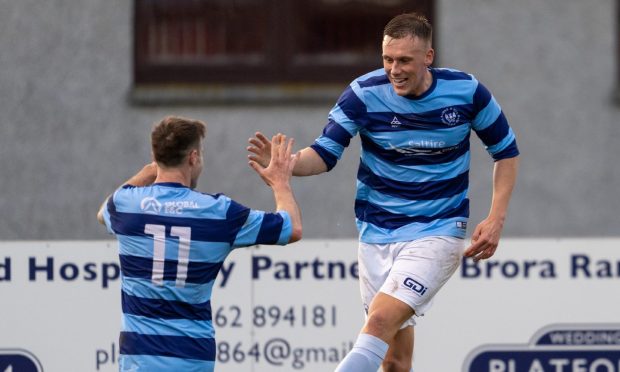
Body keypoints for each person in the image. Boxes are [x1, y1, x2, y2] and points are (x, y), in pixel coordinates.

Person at [247, 12, 519, 372]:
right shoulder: (363, 94)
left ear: (429, 57)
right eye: (388, 59)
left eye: (405, 60)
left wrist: (496, 217)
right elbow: (325, 154)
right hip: (376, 234)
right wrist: (288, 164)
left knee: (376, 324)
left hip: (437, 230)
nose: (394, 69)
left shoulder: (467, 92)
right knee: (393, 361)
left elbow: (506, 152)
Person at [97, 116, 302, 371]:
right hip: (193, 361)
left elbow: (102, 212)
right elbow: (291, 227)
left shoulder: (125, 205)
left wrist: (151, 170)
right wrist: (280, 181)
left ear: (156, 154)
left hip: (139, 360)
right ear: (193, 157)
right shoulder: (219, 212)